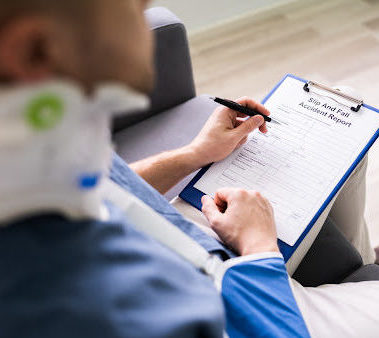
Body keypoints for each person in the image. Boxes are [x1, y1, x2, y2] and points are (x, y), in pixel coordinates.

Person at [0, 1, 377, 338]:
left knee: (344, 115)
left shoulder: (33, 139)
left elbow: (106, 189)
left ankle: (355, 267)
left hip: (194, 246)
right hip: (252, 307)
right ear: (34, 49)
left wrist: (195, 153)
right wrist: (259, 251)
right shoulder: (89, 309)